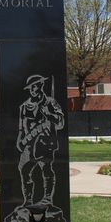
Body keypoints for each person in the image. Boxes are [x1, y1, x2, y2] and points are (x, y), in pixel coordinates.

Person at [15, 74, 65, 208]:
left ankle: (48, 199)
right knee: (24, 169)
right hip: (28, 143)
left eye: (35, 86)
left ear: (41, 86)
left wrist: (48, 114)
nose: (32, 89)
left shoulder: (50, 102)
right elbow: (21, 127)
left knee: (46, 169)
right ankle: (28, 201)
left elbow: (60, 123)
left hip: (45, 142)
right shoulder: (24, 106)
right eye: (30, 87)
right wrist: (20, 138)